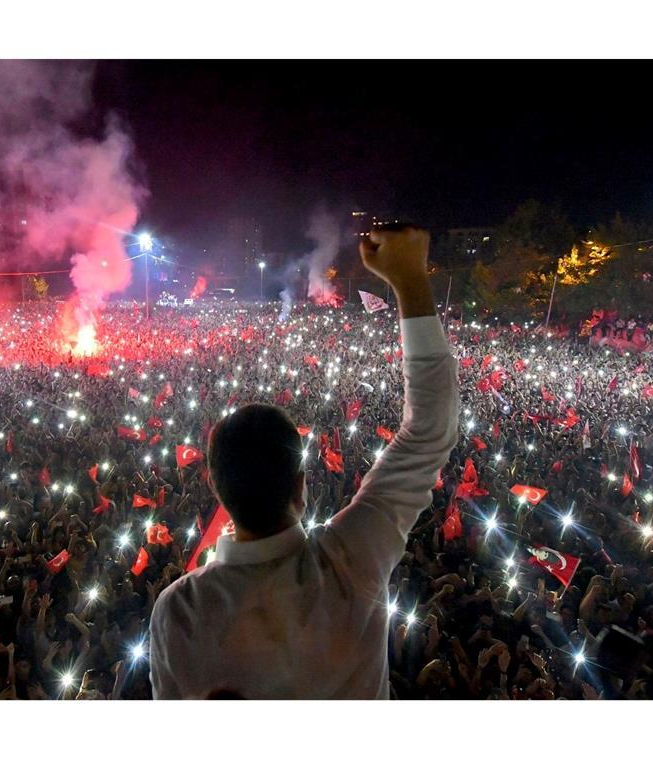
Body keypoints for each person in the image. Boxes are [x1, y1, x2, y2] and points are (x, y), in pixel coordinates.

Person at [148, 226, 459, 698]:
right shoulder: (351, 561)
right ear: (301, 483)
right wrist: (410, 280)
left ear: (216, 489)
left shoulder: (179, 612)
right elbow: (431, 429)